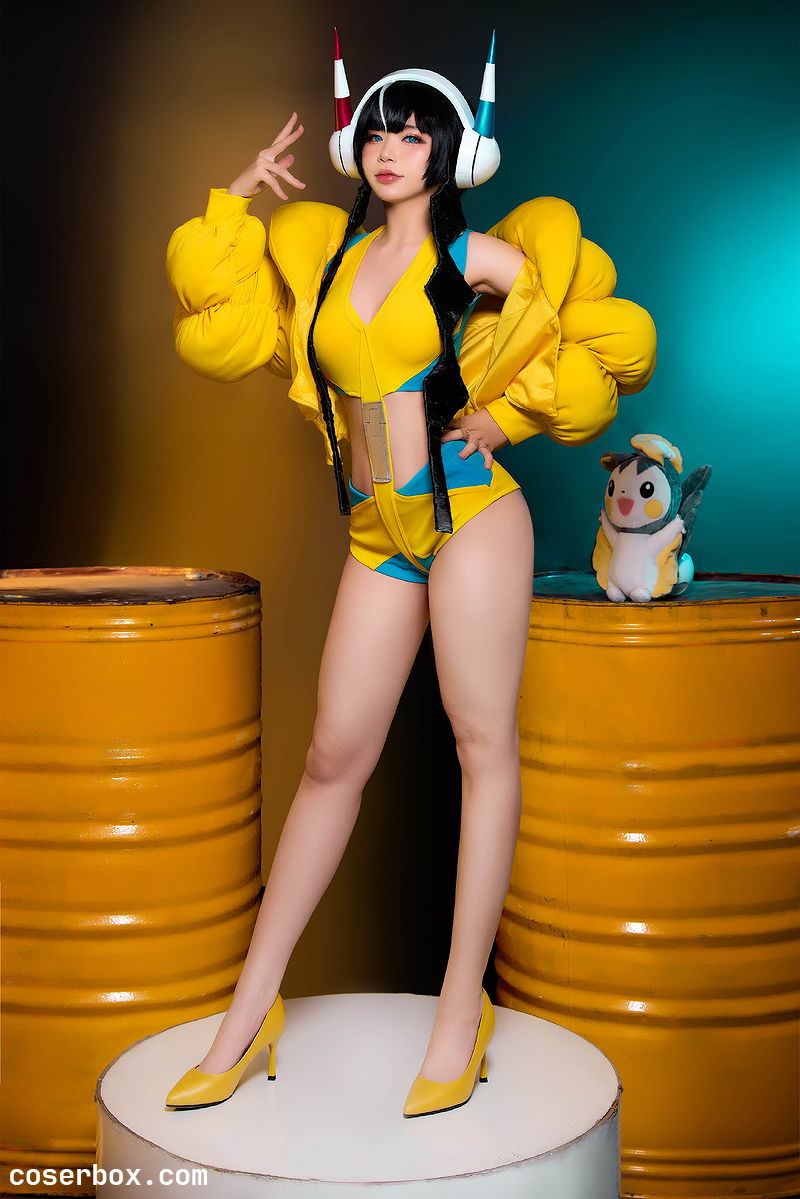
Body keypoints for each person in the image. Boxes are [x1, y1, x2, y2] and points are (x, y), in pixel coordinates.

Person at [163, 32, 657, 1119]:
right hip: (373, 531)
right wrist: (233, 197)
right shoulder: (333, 262)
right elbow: (232, 317)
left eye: (415, 132)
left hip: (469, 512)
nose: (391, 148)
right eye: (378, 131)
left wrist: (506, 415)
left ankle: (457, 1011)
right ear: (358, 148)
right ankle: (247, 1014)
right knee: (332, 757)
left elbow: (571, 329)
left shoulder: (471, 257)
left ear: (453, 154)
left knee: (482, 746)